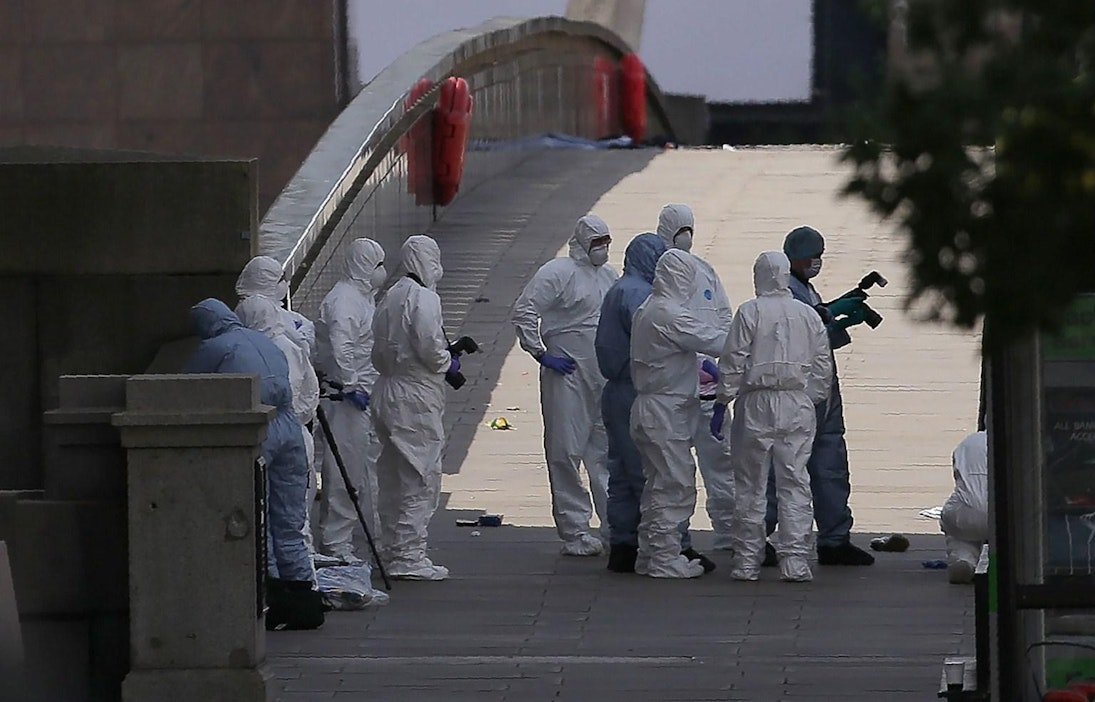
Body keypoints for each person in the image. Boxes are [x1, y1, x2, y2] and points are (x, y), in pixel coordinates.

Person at [183, 298, 322, 629]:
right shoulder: (263, 339)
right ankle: (305, 599)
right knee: (289, 520)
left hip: (258, 427)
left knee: (258, 518)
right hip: (290, 425)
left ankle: (271, 599)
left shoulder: (216, 347)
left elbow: (183, 386)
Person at [711, 252, 833, 582]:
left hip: (755, 404)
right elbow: (823, 365)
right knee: (795, 482)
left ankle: (747, 561)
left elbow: (733, 359)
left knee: (750, 484)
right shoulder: (807, 315)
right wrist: (809, 397)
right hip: (796, 402)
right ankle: (795, 560)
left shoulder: (750, 312)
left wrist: (723, 398)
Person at [764, 225, 876, 567]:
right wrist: (834, 325)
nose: (817, 262)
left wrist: (830, 311)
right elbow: (801, 341)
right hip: (799, 392)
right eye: (813, 256)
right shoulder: (781, 297)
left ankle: (834, 537)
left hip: (822, 389)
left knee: (830, 464)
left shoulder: (803, 290)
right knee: (780, 468)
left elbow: (814, 321)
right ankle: (759, 536)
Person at [512, 214, 618, 556]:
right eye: (597, 242)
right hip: (568, 376)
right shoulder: (557, 273)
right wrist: (541, 353)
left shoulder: (609, 277)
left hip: (600, 375)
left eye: (606, 242)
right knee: (565, 450)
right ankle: (574, 529)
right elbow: (525, 310)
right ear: (582, 242)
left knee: (602, 452)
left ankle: (613, 523)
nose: (602, 249)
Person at [630, 249, 728, 578]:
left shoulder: (649, 308)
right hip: (665, 412)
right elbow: (711, 339)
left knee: (657, 485)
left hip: (653, 408)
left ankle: (651, 552)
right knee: (676, 486)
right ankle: (664, 558)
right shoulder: (668, 313)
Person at [371, 235, 456, 580]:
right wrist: (449, 360)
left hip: (388, 388)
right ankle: (409, 555)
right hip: (415, 394)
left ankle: (393, 546)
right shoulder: (423, 299)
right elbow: (431, 348)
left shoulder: (389, 295)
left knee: (393, 474)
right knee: (420, 475)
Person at [656, 203, 736, 552]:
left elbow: (723, 318)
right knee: (672, 474)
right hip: (670, 392)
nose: (686, 236)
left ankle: (729, 535)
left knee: (722, 467)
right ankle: (675, 540)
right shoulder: (654, 275)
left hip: (708, 391)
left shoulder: (705, 271)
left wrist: (726, 367)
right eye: (680, 228)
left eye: (689, 228)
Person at [312, 238, 387, 564]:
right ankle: (336, 541)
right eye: (377, 265)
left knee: (362, 469)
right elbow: (342, 346)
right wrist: (352, 383)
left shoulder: (360, 298)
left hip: (358, 396)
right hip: (345, 400)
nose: (381, 272)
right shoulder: (345, 301)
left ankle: (366, 537)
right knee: (345, 469)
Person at [236, 294, 321, 554]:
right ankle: (299, 578)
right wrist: (298, 418)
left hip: (270, 435)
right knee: (293, 517)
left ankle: (280, 576)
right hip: (294, 432)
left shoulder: (250, 351)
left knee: (269, 514)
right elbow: (310, 390)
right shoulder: (290, 346)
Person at [236, 255, 316, 360]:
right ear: (267, 284)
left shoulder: (246, 307)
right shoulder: (261, 310)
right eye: (281, 279)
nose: (285, 283)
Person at [940, 431, 988, 584]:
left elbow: (959, 476)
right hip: (1004, 511)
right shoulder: (1022, 442)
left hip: (966, 510)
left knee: (953, 523)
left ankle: (963, 558)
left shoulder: (969, 442)